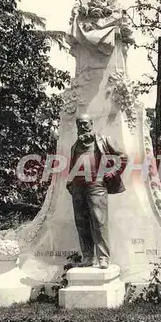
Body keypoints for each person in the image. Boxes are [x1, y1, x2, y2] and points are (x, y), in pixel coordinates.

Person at [66, 114, 127, 269]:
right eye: (79, 124)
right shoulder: (75, 145)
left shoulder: (104, 140)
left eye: (85, 123)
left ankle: (103, 258)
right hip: (78, 186)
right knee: (81, 223)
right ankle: (87, 257)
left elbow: (123, 157)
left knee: (99, 222)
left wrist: (113, 172)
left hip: (97, 185)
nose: (82, 126)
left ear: (91, 123)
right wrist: (71, 182)